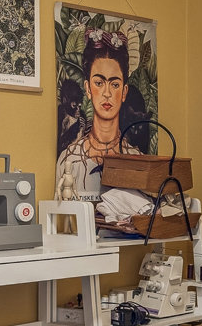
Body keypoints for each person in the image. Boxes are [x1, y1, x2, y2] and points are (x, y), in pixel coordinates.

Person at [54, 27, 143, 199]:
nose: (107, 93)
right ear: (88, 88)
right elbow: (59, 212)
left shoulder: (136, 159)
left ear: (124, 91)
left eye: (114, 84)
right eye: (99, 83)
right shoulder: (70, 158)